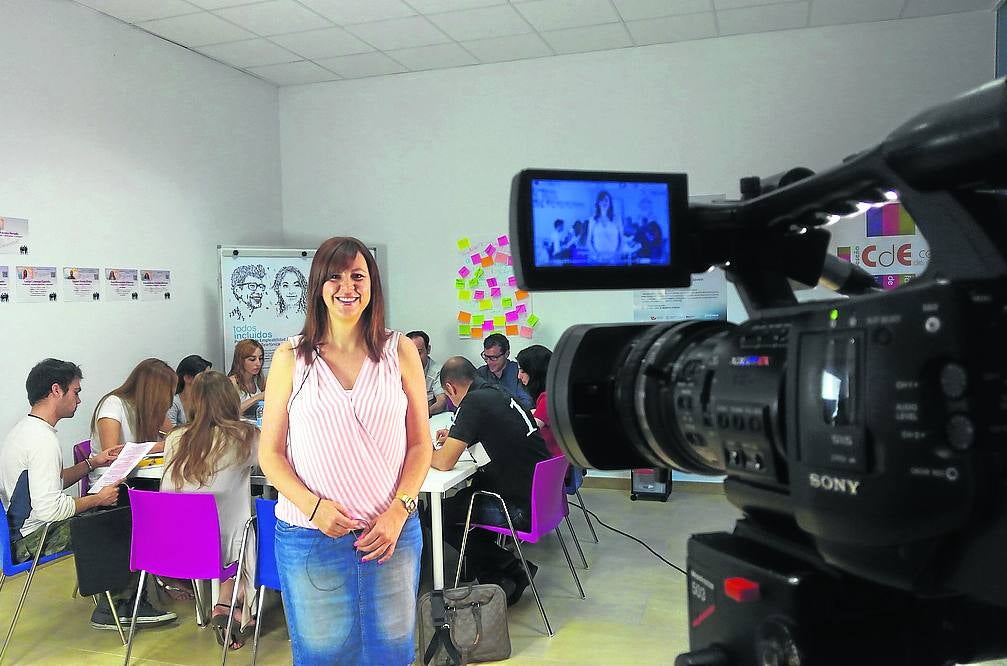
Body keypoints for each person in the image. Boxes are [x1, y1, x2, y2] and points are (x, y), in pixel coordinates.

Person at [258, 236, 431, 665]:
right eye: (334, 277)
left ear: (372, 283)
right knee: (323, 655)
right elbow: (271, 454)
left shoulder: (399, 350)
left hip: (389, 535)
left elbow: (419, 444)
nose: (346, 287)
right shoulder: (290, 358)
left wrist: (399, 510)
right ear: (318, 285)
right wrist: (314, 507)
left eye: (357, 275)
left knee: (391, 651)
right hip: (310, 535)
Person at [0, 358, 175, 630]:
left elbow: (55, 482)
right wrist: (98, 499)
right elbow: (50, 510)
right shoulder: (42, 441)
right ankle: (119, 607)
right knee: (125, 521)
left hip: (23, 530)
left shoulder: (27, 431)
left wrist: (93, 463)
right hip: (33, 539)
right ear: (56, 390)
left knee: (117, 512)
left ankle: (123, 598)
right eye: (76, 391)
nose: (79, 400)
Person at [433, 357, 550, 606]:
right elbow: (489, 433)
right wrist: (455, 436)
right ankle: (505, 575)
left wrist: (420, 451)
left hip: (517, 507)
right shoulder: (494, 392)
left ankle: (508, 573)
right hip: (539, 498)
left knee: (437, 517)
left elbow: (443, 462)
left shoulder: (473, 402)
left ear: (451, 388)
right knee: (463, 504)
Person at [161, 371, 258, 650]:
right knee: (253, 523)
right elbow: (270, 465)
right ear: (230, 400)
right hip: (226, 544)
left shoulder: (175, 438)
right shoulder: (245, 435)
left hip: (177, 543)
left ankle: (224, 604)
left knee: (228, 524)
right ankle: (237, 599)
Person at [89, 358, 176, 486]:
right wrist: (162, 446)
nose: (171, 398)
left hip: (143, 479)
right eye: (168, 392)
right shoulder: (113, 404)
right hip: (111, 487)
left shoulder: (151, 411)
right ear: (155, 391)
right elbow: (111, 454)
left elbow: (175, 437)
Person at [515, 345, 562, 457]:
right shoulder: (556, 393)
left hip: (550, 462)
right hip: (560, 461)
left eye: (522, 371)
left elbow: (530, 430)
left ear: (535, 371)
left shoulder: (547, 398)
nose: (519, 376)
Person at [475, 333, 532, 409]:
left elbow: (527, 403)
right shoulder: (481, 373)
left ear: (507, 354)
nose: (489, 362)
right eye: (486, 357)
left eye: (494, 358)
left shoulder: (519, 372)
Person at [406, 330, 447, 415]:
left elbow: (441, 401)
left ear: (428, 350)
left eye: (419, 352)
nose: (415, 357)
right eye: (410, 353)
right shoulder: (399, 369)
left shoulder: (437, 371)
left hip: (428, 417)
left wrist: (422, 415)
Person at [167, 354, 212, 426]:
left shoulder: (208, 399)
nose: (210, 381)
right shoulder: (172, 403)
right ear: (187, 378)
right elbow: (170, 435)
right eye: (205, 377)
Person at [228, 339, 266, 419]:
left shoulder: (260, 380)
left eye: (261, 358)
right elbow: (230, 413)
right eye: (252, 359)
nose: (258, 364)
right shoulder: (231, 383)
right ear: (240, 360)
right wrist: (258, 397)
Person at [587, 190, 623, 262]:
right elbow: (588, 241)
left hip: (613, 260)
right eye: (602, 200)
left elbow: (621, 240)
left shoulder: (617, 219)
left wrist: (616, 255)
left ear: (610, 203)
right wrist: (596, 255)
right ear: (598, 203)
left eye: (606, 200)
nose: (604, 202)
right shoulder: (592, 220)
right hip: (597, 260)